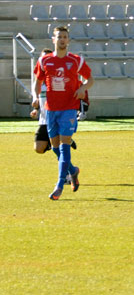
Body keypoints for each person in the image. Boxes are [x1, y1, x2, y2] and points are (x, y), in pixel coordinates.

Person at [33, 26, 94, 200]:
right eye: (59, 36)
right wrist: (36, 98)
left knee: (65, 145)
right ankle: (73, 170)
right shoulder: (45, 61)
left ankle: (60, 184)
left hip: (69, 108)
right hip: (51, 110)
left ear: (68, 40)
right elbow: (37, 82)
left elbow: (90, 79)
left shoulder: (76, 61)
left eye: (65, 37)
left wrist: (83, 87)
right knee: (55, 147)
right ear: (53, 40)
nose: (62, 39)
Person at [31, 49, 78, 155]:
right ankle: (57, 146)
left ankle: (68, 166)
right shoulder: (38, 82)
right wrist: (35, 109)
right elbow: (38, 99)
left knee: (60, 148)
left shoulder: (58, 79)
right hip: (44, 119)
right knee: (39, 149)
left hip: (57, 117)